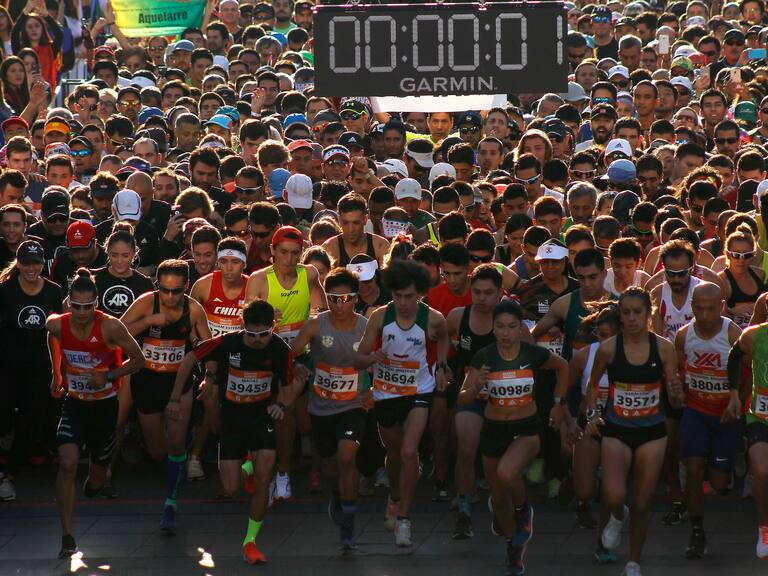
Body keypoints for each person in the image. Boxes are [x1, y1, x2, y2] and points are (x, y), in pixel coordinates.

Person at [173, 298, 304, 564]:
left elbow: (290, 384)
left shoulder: (280, 349)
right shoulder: (228, 342)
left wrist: (281, 404)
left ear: (273, 327)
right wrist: (175, 398)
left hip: (261, 417)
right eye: (252, 334)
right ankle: (247, 467)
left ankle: (250, 542)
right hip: (232, 418)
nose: (257, 340)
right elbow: (189, 359)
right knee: (230, 488)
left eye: (264, 334)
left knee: (264, 479)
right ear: (243, 326)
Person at [458, 300, 569, 575]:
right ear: (492, 328)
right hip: (494, 430)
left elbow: (563, 367)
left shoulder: (532, 353)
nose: (506, 333)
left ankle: (523, 511)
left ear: (520, 328)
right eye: (500, 327)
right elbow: (462, 398)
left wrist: (558, 402)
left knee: (508, 473)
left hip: (526, 428)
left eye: (511, 327)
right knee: (498, 497)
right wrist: (477, 386)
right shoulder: (484, 357)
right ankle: (514, 547)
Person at [584, 287, 683, 575]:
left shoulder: (663, 347)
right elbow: (592, 386)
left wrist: (676, 393)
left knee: (642, 501)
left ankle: (633, 561)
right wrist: (592, 414)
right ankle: (616, 516)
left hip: (652, 431)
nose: (631, 318)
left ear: (648, 314)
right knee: (614, 495)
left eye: (637, 312)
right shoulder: (609, 348)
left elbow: (676, 400)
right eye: (625, 313)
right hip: (617, 428)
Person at [46, 269, 145, 558]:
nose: (81, 312)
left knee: (96, 480)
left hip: (104, 406)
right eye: (75, 306)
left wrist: (110, 374)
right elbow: (50, 336)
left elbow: (138, 360)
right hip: (75, 403)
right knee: (67, 463)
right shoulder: (58, 324)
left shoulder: (110, 327)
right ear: (68, 303)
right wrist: (57, 373)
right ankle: (67, 536)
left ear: (96, 304)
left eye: (87, 306)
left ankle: (97, 480)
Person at [354, 259, 449, 547]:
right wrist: (373, 358)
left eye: (410, 296)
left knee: (410, 452)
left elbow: (443, 339)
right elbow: (358, 357)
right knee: (394, 455)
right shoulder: (380, 317)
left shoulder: (433, 318)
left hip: (420, 390)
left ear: (420, 293)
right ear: (391, 293)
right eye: (398, 296)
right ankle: (395, 496)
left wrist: (441, 365)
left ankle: (405, 518)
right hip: (386, 393)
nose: (404, 302)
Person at [119, 260, 212, 533]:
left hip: (178, 382)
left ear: (185, 286)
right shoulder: (147, 303)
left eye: (176, 291)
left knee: (174, 442)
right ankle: (154, 446)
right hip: (147, 381)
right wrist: (150, 321)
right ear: (157, 286)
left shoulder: (193, 309)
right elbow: (117, 333)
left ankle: (170, 502)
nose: (170, 297)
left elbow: (206, 347)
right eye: (165, 290)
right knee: (158, 451)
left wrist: (210, 376)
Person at [244, 225, 327, 501]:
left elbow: (323, 312)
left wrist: (312, 325)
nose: (289, 259)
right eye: (283, 253)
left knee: (304, 423)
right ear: (272, 252)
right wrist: (267, 316)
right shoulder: (259, 279)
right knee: (283, 417)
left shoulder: (310, 274)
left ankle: (296, 467)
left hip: (301, 354)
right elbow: (247, 321)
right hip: (270, 356)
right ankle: (280, 473)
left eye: (295, 253)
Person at [291, 267, 369, 550]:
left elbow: (382, 361)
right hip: (321, 407)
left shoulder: (366, 327)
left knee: (347, 457)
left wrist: (373, 389)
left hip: (353, 405)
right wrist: (298, 364)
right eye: (333, 299)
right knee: (331, 466)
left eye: (346, 299)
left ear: (355, 299)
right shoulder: (315, 325)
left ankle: (348, 518)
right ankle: (337, 493)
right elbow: (291, 353)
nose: (339, 305)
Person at [675, 282, 742, 558]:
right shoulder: (683, 336)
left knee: (718, 483)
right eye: (699, 309)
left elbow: (746, 371)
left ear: (722, 307)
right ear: (692, 308)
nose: (704, 315)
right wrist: (677, 388)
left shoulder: (733, 334)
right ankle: (697, 530)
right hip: (696, 411)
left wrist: (738, 399)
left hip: (726, 415)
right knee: (693, 468)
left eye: (711, 309)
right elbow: (678, 369)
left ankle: (725, 467)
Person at [446, 264, 504, 539]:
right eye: (477, 292)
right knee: (466, 450)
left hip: (502, 396)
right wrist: (443, 366)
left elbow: (531, 355)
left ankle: (503, 503)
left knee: (498, 458)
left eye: (488, 293)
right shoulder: (459, 316)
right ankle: (464, 508)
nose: (481, 298)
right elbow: (442, 341)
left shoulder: (508, 320)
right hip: (469, 393)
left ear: (500, 294)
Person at [0, 239, 62, 496]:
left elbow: (58, 334)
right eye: (26, 262)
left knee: (29, 417)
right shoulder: (4, 291)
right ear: (19, 263)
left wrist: (57, 373)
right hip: (7, 364)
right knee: (3, 417)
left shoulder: (53, 291)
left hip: (39, 365)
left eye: (36, 262)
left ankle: (10, 473)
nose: (31, 268)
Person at [187, 236, 249, 481]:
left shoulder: (252, 285)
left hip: (241, 356)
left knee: (240, 408)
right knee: (210, 406)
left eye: (235, 262)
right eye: (224, 261)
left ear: (244, 264)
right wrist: (199, 346)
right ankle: (195, 456)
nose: (229, 267)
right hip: (210, 354)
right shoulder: (203, 285)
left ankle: (240, 456)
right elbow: (190, 318)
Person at [569, 303, 619, 531]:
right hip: (589, 422)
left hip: (621, 425)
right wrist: (568, 421)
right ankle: (584, 497)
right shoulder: (584, 356)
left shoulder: (635, 355)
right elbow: (563, 390)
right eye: (602, 336)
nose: (606, 342)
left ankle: (609, 525)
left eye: (612, 336)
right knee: (585, 489)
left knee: (615, 489)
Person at [730, 316, 768, 560]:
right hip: (761, 418)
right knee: (762, 471)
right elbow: (734, 357)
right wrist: (734, 392)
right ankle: (765, 527)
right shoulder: (755, 335)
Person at [93, 223, 153, 317]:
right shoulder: (94, 279)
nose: (119, 261)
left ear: (134, 253)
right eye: (114, 255)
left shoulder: (144, 283)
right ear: (107, 251)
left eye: (125, 255)